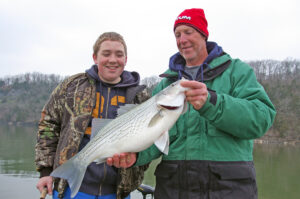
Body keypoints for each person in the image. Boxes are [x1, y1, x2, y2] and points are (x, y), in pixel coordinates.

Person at [107, 8, 276, 199]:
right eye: (177, 34)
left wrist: (213, 101)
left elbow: (262, 118)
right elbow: (156, 136)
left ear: (204, 34)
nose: (182, 39)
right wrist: (137, 156)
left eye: (188, 32)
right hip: (173, 188)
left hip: (228, 189)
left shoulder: (237, 72)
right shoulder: (165, 85)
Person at [35, 32, 149, 199]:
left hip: (118, 192)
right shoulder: (71, 87)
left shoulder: (141, 96)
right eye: (106, 53)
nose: (112, 59)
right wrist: (45, 172)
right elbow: (48, 125)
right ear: (95, 57)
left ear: (126, 59)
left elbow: (148, 140)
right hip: (72, 189)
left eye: (119, 54)